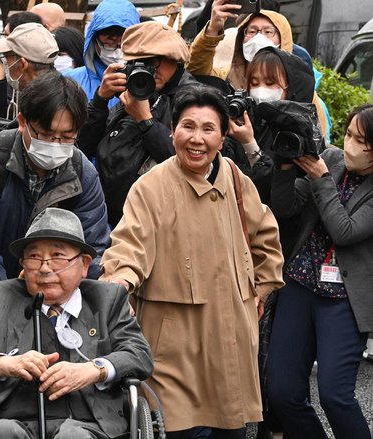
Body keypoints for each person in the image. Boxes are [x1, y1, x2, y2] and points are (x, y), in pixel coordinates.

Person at [100, 84, 285, 438]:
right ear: (172, 131)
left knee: (230, 427)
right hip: (173, 344)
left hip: (229, 334)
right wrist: (118, 282)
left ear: (222, 136)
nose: (196, 139)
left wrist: (259, 289)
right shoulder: (150, 186)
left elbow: (266, 236)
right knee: (177, 428)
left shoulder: (233, 175)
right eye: (188, 126)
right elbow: (129, 246)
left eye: (207, 128)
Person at [0, 207, 153, 439]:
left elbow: (139, 354)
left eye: (57, 256)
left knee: (74, 437)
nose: (45, 268)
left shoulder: (108, 299)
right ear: (23, 265)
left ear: (84, 264)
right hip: (11, 418)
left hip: (88, 423)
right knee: (2, 433)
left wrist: (93, 370)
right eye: (34, 257)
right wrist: (4, 363)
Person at [266, 104, 373, 439]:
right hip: (300, 284)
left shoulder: (330, 172)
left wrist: (321, 179)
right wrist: (284, 167)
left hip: (345, 300)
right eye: (349, 135)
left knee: (335, 395)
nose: (350, 144)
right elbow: (285, 207)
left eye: (362, 140)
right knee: (281, 391)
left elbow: (345, 230)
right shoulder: (333, 160)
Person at [0, 72, 111, 281]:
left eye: (67, 137)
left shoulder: (83, 173)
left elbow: (93, 245)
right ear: (23, 121)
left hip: (54, 290)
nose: (55, 144)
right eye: (45, 135)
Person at [77, 20, 197, 226]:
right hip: (114, 220)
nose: (150, 69)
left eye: (156, 61)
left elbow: (189, 160)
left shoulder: (193, 99)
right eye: (140, 62)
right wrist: (100, 99)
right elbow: (84, 146)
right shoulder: (134, 93)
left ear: (176, 60)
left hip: (163, 222)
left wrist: (145, 120)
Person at [186, 3, 329, 138]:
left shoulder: (303, 94)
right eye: (252, 31)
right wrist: (212, 29)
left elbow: (318, 141)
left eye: (268, 32)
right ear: (241, 39)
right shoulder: (225, 79)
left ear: (283, 40)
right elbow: (196, 70)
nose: (259, 38)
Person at [226, 46, 316, 206]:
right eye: (254, 83)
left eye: (270, 83)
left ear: (291, 88)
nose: (260, 90)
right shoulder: (245, 120)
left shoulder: (299, 135)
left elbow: (278, 200)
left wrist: (249, 144)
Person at [64, 0, 139, 108]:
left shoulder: (147, 80)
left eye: (124, 44)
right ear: (94, 41)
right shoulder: (70, 81)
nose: (118, 51)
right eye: (110, 43)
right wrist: (100, 97)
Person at [0, 22, 58, 124]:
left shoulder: (47, 106)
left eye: (5, 58)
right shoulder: (51, 92)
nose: (4, 63)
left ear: (22, 64)